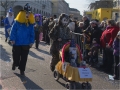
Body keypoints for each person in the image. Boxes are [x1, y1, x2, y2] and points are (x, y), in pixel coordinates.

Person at [10, 3, 35, 75]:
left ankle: (22, 70)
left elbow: (32, 34)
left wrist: (31, 42)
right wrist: (12, 39)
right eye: (26, 13)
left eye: (29, 13)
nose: (28, 14)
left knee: (24, 58)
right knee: (16, 56)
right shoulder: (17, 22)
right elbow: (13, 31)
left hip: (26, 44)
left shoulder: (30, 24)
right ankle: (15, 63)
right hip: (17, 43)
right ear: (22, 13)